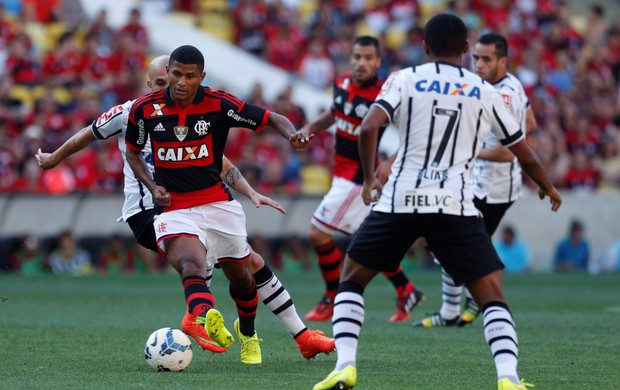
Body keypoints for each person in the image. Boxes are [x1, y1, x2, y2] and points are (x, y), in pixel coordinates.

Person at [313, 13, 561, 390]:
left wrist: (367, 179)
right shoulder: (485, 90)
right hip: (454, 203)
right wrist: (547, 186)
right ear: (465, 49)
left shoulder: (404, 78)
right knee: (491, 294)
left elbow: (368, 127)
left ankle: (345, 365)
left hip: (401, 198)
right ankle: (508, 378)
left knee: (353, 278)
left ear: (425, 48)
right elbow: (523, 152)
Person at [36, 55, 334, 361]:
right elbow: (85, 135)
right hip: (147, 210)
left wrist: (249, 191)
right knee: (197, 259)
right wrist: (53, 159)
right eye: (165, 81)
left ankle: (261, 332)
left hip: (200, 202)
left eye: (182, 78)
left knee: (250, 266)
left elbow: (217, 162)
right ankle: (204, 316)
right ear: (151, 83)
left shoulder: (205, 106)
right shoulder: (132, 112)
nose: (175, 86)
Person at [124, 45, 314, 365]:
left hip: (218, 204)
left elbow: (271, 118)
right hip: (175, 208)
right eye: (175, 74)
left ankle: (248, 334)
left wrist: (292, 135)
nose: (181, 82)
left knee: (241, 277)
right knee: (190, 264)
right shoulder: (144, 109)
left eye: (189, 76)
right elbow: (132, 152)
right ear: (167, 72)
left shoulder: (219, 104)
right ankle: (203, 315)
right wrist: (152, 185)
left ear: (201, 77)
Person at [413, 32, 539, 328]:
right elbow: (530, 123)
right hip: (481, 183)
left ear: (502, 61)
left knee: (452, 242)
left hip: (494, 188)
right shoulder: (509, 86)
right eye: (476, 58)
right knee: (449, 241)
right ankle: (456, 308)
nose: (478, 64)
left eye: (486, 59)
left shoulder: (505, 94)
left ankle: (464, 304)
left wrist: (469, 148)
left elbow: (508, 155)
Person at [299, 35, 424, 323]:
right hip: (341, 173)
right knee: (370, 242)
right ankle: (406, 289)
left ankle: (331, 296)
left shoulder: (385, 93)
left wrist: (391, 162)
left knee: (318, 234)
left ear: (378, 62)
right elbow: (334, 113)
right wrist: (310, 127)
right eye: (357, 57)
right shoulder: (342, 82)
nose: (361, 63)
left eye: (368, 58)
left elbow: (414, 132)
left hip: (358, 178)